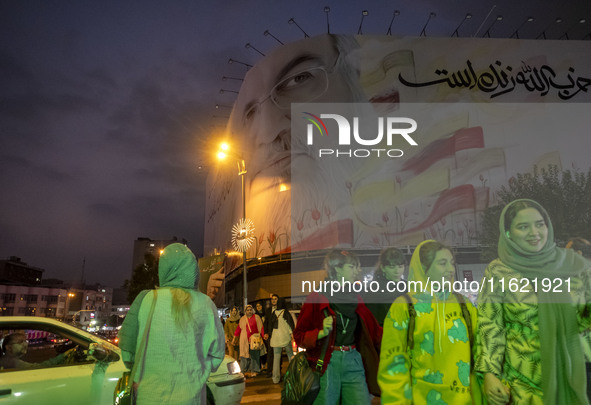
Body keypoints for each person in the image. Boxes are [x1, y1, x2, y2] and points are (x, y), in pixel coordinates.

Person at [475, 199, 591, 405]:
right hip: (525, 382)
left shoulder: (574, 265)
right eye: (523, 227)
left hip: (576, 376)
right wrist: (489, 374)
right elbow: (490, 325)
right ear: (508, 233)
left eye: (540, 224)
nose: (534, 232)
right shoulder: (499, 272)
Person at [119, 243, 225, 405]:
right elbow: (217, 355)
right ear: (193, 270)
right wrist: (197, 369)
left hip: (148, 397)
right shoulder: (206, 304)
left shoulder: (146, 300)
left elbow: (127, 353)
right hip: (192, 398)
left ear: (163, 269)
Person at [378, 240, 480, 404]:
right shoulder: (404, 306)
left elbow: (480, 352)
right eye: (442, 263)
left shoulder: (464, 305)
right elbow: (393, 365)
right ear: (424, 269)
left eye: (452, 263)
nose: (451, 269)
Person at [293, 250, 382, 404]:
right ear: (338, 269)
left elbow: (375, 331)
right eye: (352, 267)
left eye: (358, 267)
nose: (358, 271)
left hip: (353, 360)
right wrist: (320, 333)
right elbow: (299, 335)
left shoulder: (356, 297)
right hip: (327, 363)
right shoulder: (317, 297)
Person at [366, 246, 407, 326]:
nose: (397, 271)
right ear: (383, 268)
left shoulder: (408, 287)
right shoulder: (374, 290)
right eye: (392, 267)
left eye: (400, 266)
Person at [0, 332, 74, 370]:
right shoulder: (11, 362)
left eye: (25, 341)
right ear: (8, 347)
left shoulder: (5, 360)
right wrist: (63, 356)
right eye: (20, 342)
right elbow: (39, 367)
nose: (25, 344)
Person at [269, 296, 295, 384]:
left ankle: (275, 378)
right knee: (290, 356)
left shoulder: (273, 313)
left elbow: (270, 325)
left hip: (275, 339)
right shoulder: (286, 313)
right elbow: (289, 325)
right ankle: (293, 376)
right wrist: (292, 334)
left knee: (276, 359)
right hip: (285, 338)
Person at [233, 304, 265, 378]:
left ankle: (254, 370)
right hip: (244, 341)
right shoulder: (242, 319)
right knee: (244, 357)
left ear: (252, 310)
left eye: (250, 310)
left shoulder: (257, 317)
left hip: (255, 341)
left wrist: (263, 336)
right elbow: (238, 329)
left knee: (254, 356)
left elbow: (261, 328)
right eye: (247, 310)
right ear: (245, 311)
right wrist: (234, 338)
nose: (249, 311)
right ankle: (242, 371)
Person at [263, 293, 279, 377]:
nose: (273, 300)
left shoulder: (281, 309)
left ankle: (278, 371)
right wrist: (265, 332)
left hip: (279, 334)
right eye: (272, 299)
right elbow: (266, 322)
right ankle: (269, 371)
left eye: (275, 299)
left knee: (278, 353)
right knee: (270, 353)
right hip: (270, 335)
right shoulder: (268, 310)